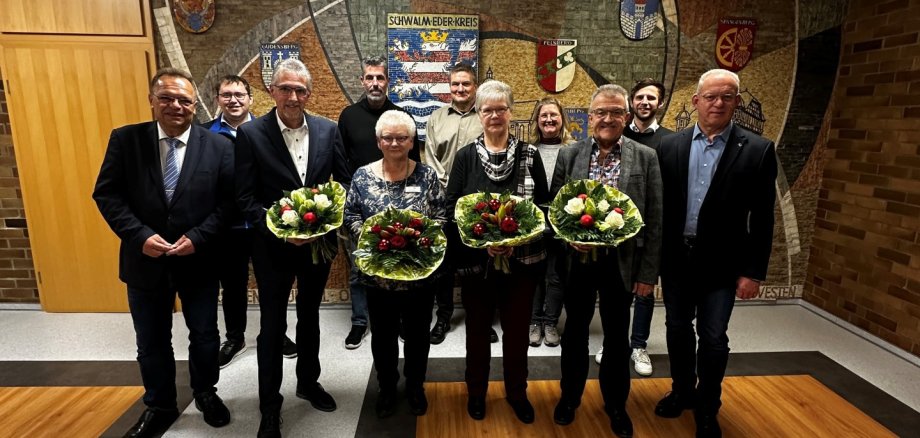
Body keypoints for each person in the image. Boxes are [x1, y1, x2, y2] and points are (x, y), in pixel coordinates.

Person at [93, 68, 234, 437]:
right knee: (151, 340)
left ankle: (205, 392)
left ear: (194, 104)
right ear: (152, 100)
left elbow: (228, 203)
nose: (176, 106)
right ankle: (160, 404)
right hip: (145, 261)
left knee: (204, 335)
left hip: (197, 260)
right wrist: (139, 235)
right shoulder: (126, 141)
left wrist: (199, 237)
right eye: (167, 98)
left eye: (185, 100)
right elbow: (107, 194)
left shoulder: (218, 146)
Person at [655, 69, 776, 438]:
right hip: (677, 261)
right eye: (710, 97)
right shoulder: (669, 146)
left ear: (737, 102)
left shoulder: (757, 150)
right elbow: (659, 209)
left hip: (723, 267)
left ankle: (708, 406)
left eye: (727, 97)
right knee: (676, 330)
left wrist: (753, 272)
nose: (718, 103)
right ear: (695, 102)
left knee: (713, 338)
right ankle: (681, 391)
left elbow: (764, 217)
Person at [235, 58, 351, 438]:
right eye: (285, 88)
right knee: (272, 326)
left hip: (317, 247)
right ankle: (270, 405)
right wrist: (281, 230)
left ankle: (308, 381)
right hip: (273, 248)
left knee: (310, 317)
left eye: (300, 90)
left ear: (309, 93)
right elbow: (245, 197)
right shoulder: (251, 135)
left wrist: (328, 223)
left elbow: (343, 185)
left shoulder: (327, 129)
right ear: (271, 91)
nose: (293, 96)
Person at [550, 84, 663, 438]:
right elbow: (555, 208)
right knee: (575, 333)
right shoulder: (570, 155)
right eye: (601, 112)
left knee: (616, 337)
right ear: (590, 116)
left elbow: (656, 218)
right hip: (578, 262)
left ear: (627, 117)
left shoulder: (645, 157)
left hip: (622, 263)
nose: (608, 119)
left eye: (616, 112)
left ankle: (616, 404)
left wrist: (648, 274)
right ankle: (570, 398)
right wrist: (569, 239)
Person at [445, 80, 550, 424]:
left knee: (517, 332)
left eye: (501, 108)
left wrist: (522, 237)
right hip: (478, 264)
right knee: (477, 331)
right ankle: (476, 392)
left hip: (523, 264)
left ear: (510, 111)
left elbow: (544, 208)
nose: (494, 115)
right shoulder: (465, 157)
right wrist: (479, 242)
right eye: (487, 109)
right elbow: (451, 209)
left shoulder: (530, 155)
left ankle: (517, 392)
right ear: (478, 113)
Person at [343, 110, 446, 418]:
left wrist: (420, 238)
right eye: (388, 137)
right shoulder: (362, 176)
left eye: (402, 137)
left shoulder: (426, 176)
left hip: (419, 277)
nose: (394, 143)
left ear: (412, 141)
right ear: (378, 141)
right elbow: (350, 218)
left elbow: (441, 218)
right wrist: (378, 237)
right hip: (378, 279)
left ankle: (415, 386)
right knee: (383, 338)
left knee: (417, 337)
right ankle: (387, 387)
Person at [203, 75, 297, 367]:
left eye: (240, 95)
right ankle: (235, 337)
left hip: (266, 222)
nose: (234, 100)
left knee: (273, 284)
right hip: (228, 225)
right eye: (227, 94)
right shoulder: (204, 135)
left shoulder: (267, 131)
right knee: (232, 284)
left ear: (251, 99)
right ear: (217, 99)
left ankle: (276, 333)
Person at [337, 56, 421, 350]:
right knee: (361, 267)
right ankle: (360, 322)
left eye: (380, 78)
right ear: (362, 81)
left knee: (397, 263)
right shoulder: (348, 116)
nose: (375, 83)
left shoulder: (401, 116)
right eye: (369, 78)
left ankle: (396, 321)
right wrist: (354, 198)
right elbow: (340, 159)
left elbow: (416, 163)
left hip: (399, 209)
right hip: (362, 206)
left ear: (388, 82)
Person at [596, 78, 675, 375]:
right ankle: (613, 341)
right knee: (613, 300)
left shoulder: (668, 142)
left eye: (651, 98)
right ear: (630, 105)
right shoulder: (614, 134)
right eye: (639, 97)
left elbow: (660, 194)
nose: (645, 102)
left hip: (643, 234)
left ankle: (638, 344)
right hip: (608, 235)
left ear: (660, 103)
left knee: (642, 293)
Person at [424, 63, 497, 345]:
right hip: (443, 204)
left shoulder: (485, 118)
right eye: (455, 84)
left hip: (479, 206)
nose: (460, 89)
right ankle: (443, 318)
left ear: (475, 86)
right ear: (449, 86)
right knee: (443, 266)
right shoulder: (436, 119)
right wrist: (445, 194)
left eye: (465, 84)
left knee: (479, 265)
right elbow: (431, 160)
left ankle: (482, 317)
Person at [528, 97, 572, 348]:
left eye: (554, 115)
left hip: (562, 223)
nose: (549, 120)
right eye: (543, 115)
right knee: (535, 275)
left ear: (562, 119)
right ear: (537, 121)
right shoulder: (529, 150)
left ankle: (550, 322)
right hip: (534, 223)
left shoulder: (573, 149)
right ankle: (534, 321)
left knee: (556, 275)